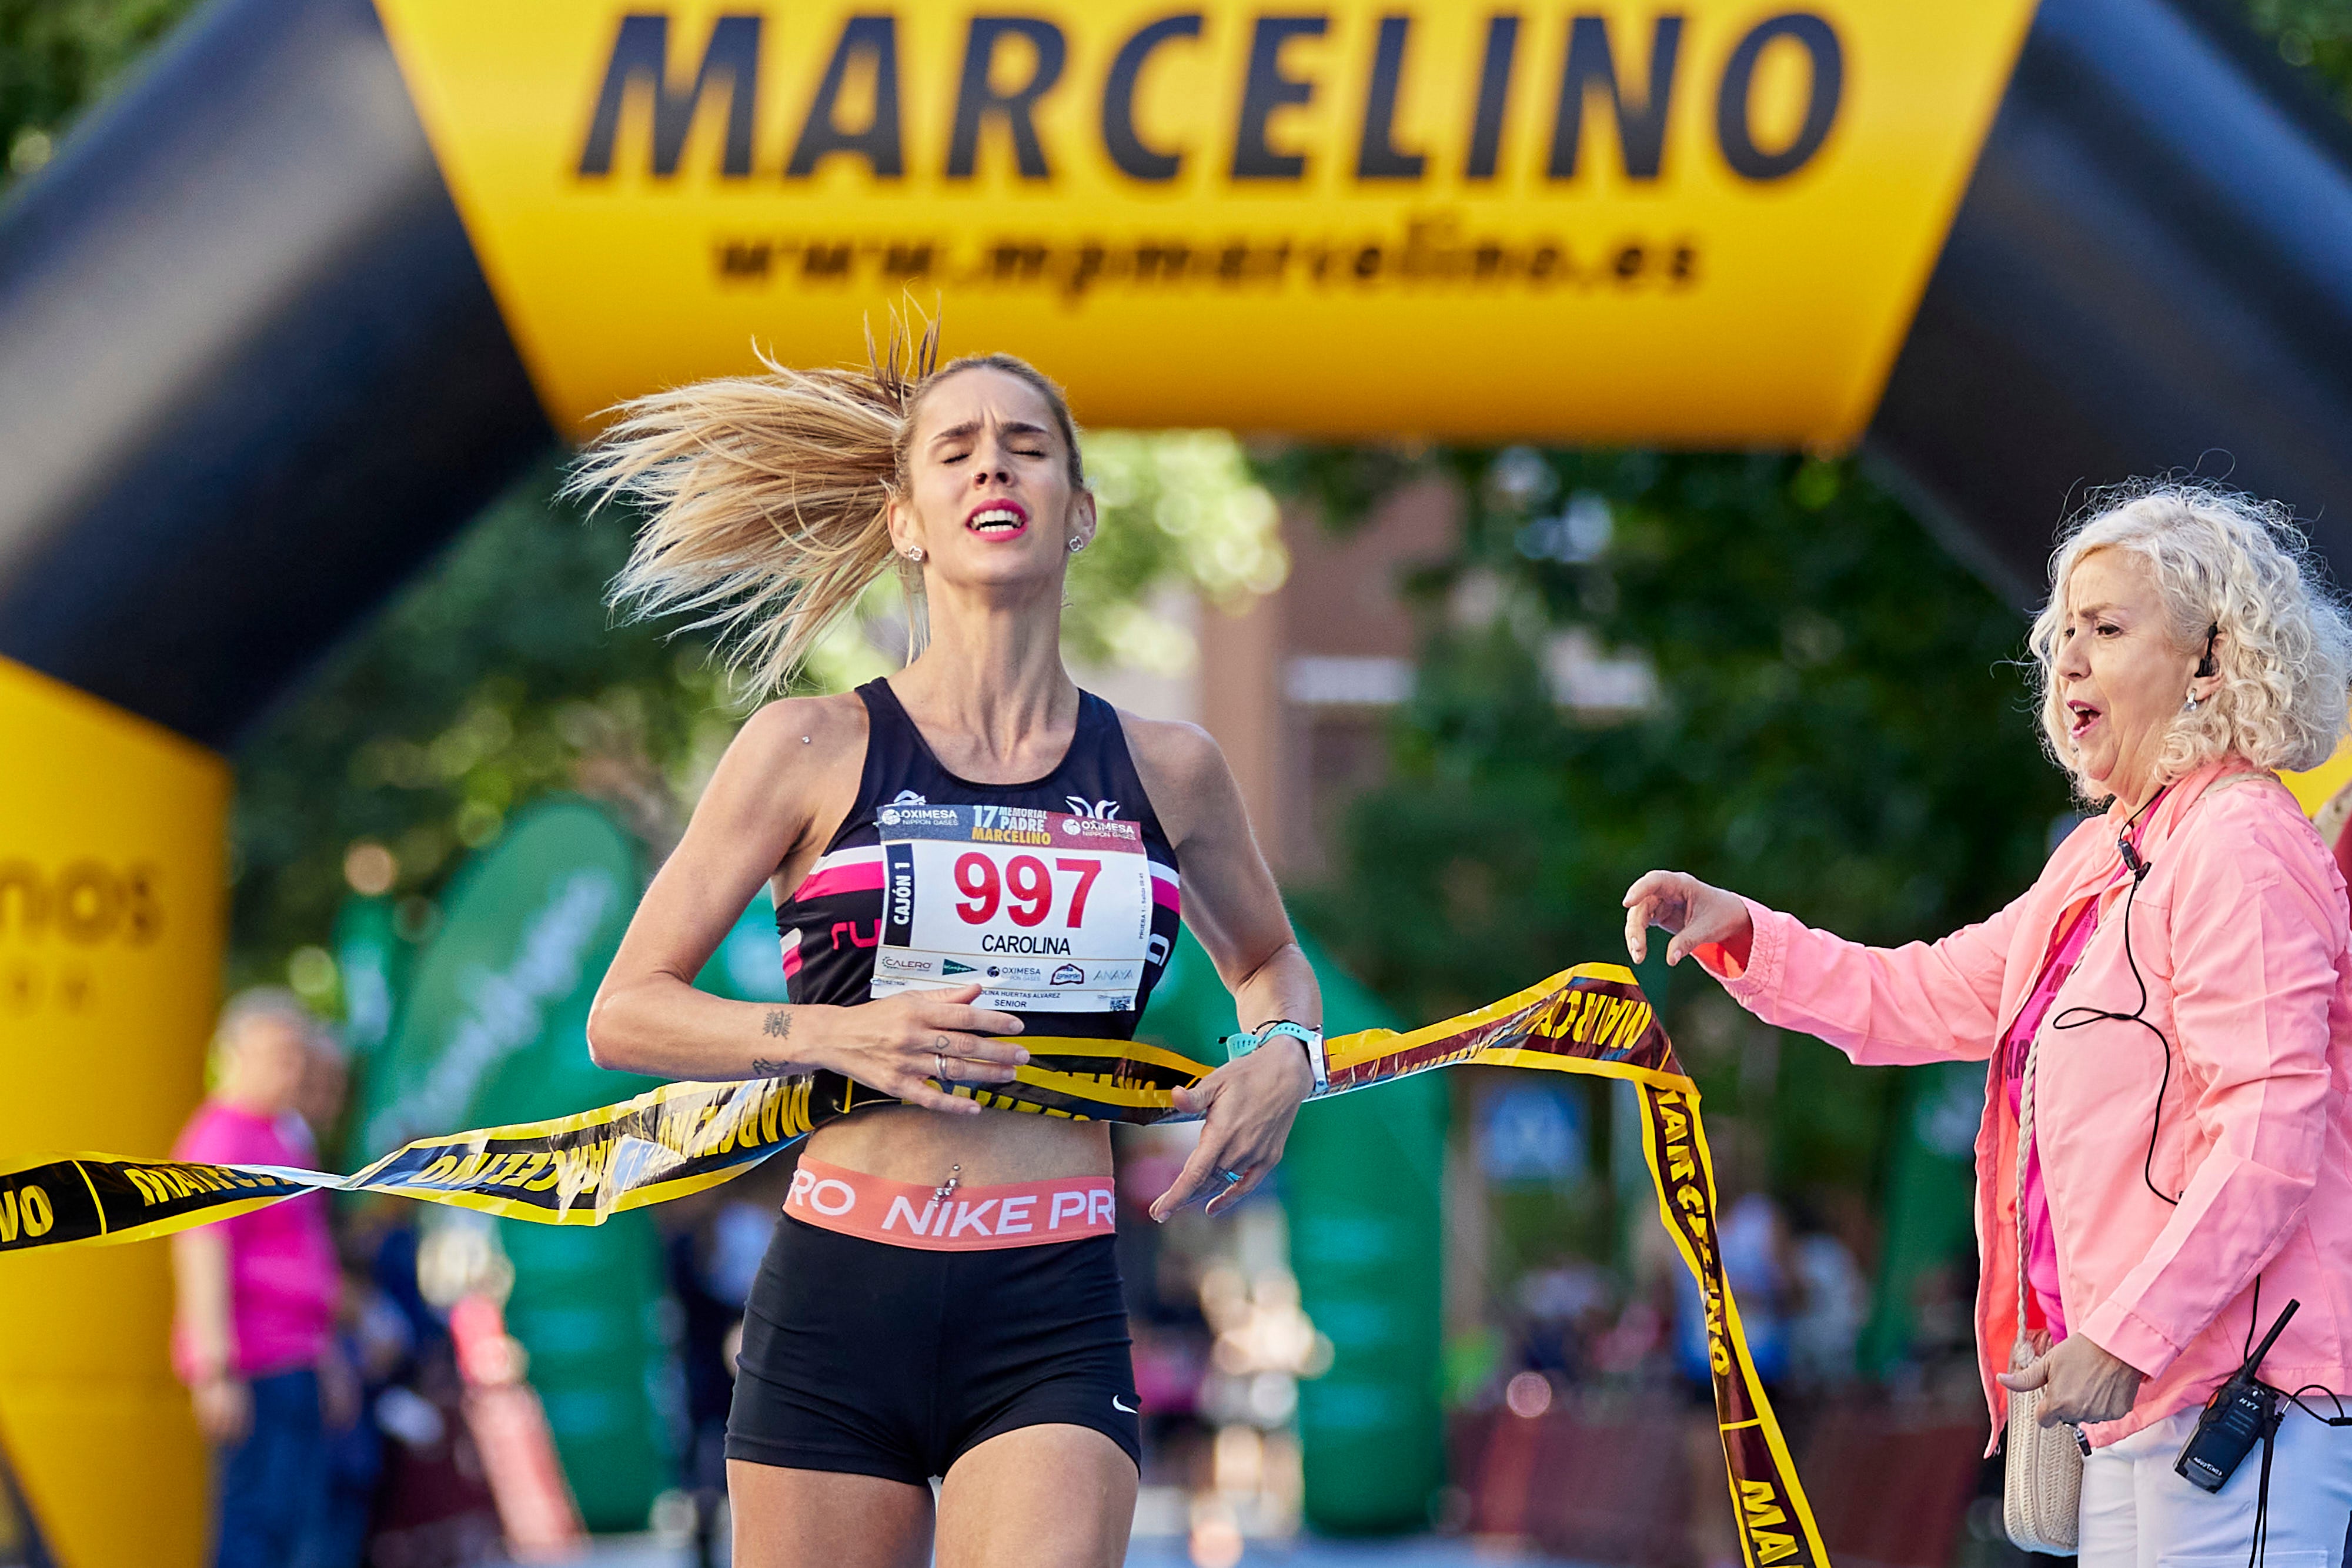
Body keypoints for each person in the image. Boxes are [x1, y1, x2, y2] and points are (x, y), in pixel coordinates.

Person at [576, 329, 1321, 1568]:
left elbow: (1269, 962)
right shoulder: (807, 748)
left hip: (1051, 1298)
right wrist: (837, 1033)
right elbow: (626, 1014)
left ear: (1077, 512)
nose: (994, 472)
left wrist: (1285, 1049)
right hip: (837, 1289)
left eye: (1026, 450)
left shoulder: (1169, 767)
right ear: (907, 520)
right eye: (957, 453)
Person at [1625, 482, 2352, 1563]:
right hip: (2136, 1407)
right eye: (2064, 630)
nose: (2065, 658)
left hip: (2240, 1400)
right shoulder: (2098, 861)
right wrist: (1746, 934)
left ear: (2211, 660)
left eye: (2108, 629)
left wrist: (2125, 1333)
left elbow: (2269, 1137)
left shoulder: (2239, 845)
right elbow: (1917, 993)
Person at [171, 989, 353, 1568]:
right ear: (231, 1055)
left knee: (297, 1526)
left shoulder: (281, 1136)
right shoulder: (221, 1140)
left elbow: (308, 1256)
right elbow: (201, 1252)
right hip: (254, 1363)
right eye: (278, 1055)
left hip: (295, 1356)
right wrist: (214, 1368)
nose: (292, 1070)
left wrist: (327, 1356)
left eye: (297, 1057)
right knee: (254, 1530)